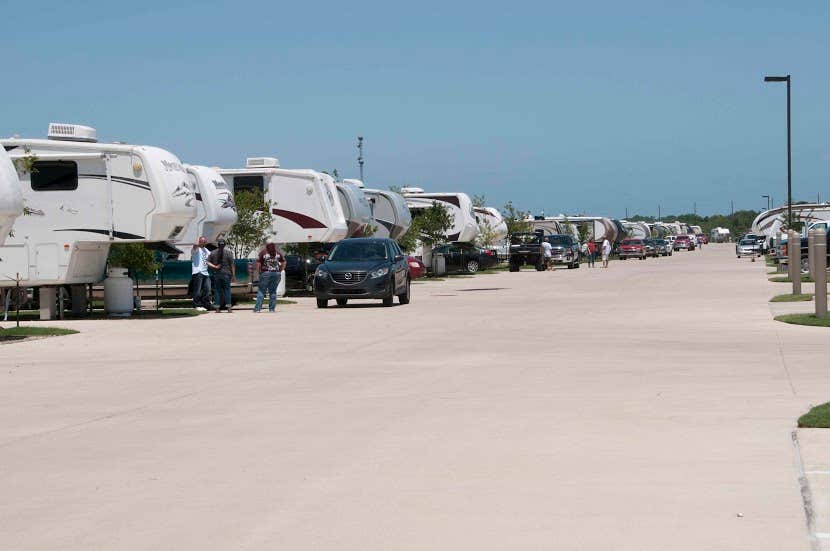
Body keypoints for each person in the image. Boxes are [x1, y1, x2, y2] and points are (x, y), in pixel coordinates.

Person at [254, 239, 286, 313]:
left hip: (265, 273)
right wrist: (280, 270)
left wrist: (259, 272)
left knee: (261, 291)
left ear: (266, 245)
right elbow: (284, 262)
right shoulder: (278, 253)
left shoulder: (263, 252)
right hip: (276, 274)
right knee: (273, 291)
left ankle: (257, 309)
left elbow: (258, 263)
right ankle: (272, 309)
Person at [207, 238, 235, 312]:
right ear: (224, 245)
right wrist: (233, 275)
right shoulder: (228, 253)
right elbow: (232, 265)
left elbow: (207, 262)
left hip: (217, 274)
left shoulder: (213, 253)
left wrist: (214, 266)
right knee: (227, 290)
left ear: (218, 245)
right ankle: (229, 308)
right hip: (226, 274)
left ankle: (217, 308)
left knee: (217, 291)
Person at [190, 236, 211, 311]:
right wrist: (198, 238)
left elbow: (211, 256)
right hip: (198, 272)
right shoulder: (196, 249)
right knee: (197, 290)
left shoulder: (206, 250)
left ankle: (205, 304)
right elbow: (195, 245)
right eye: (202, 241)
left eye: (205, 242)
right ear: (199, 242)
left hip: (205, 273)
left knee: (207, 289)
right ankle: (196, 305)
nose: (204, 243)